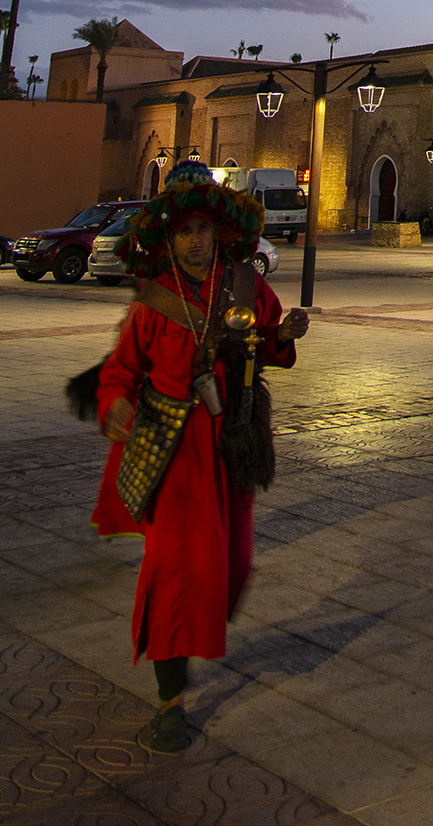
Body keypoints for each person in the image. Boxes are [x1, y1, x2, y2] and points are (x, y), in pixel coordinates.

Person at [89, 164, 309, 752]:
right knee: (176, 571)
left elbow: (269, 344)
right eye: (185, 231)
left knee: (231, 564)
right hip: (173, 452)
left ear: (219, 234)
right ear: (170, 238)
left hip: (230, 443)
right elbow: (119, 372)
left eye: (204, 229)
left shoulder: (243, 285)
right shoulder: (154, 298)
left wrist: (284, 334)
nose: (195, 240)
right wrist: (115, 405)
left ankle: (198, 630)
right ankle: (171, 702)